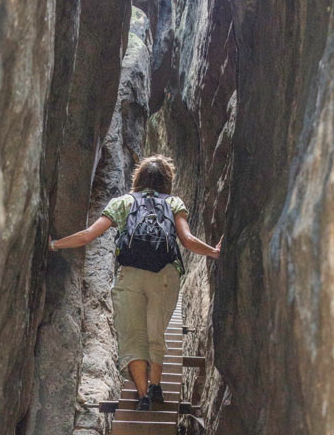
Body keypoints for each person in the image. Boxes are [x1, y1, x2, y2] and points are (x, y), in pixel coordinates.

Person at [49, 155, 221, 409]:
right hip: (165, 276)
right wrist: (214, 252)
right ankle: (156, 385)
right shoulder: (173, 203)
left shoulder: (122, 202)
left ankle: (142, 396)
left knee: (133, 336)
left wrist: (54, 244)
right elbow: (187, 240)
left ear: (138, 178)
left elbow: (88, 236)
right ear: (167, 181)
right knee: (156, 332)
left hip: (130, 275)